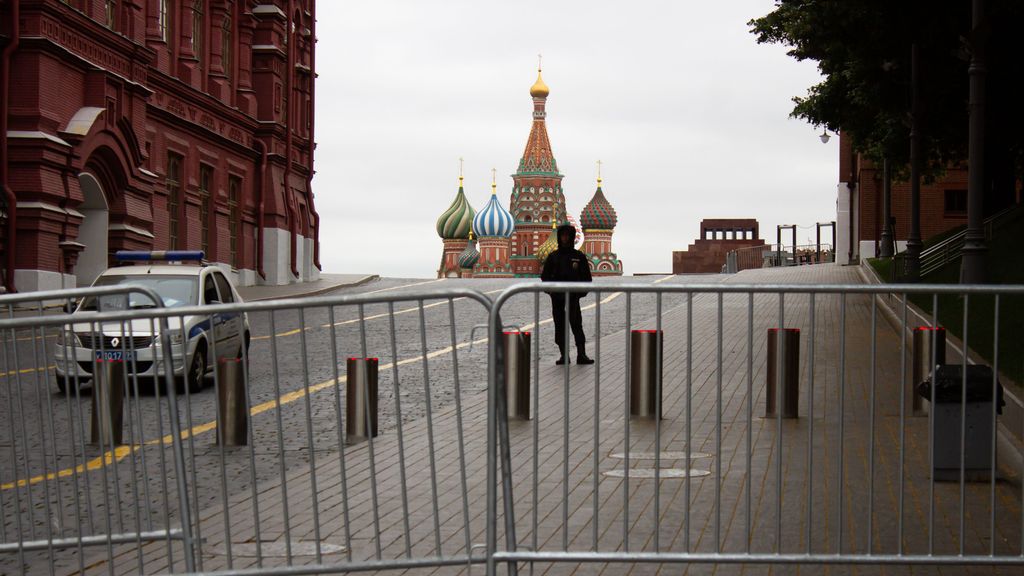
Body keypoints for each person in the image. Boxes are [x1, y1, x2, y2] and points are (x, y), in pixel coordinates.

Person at [541, 223, 595, 365]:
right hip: (557, 298)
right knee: (559, 326)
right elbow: (545, 277)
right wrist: (551, 291)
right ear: (559, 237)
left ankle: (581, 354)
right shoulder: (553, 257)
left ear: (571, 237)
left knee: (577, 325)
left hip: (572, 297)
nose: (565, 238)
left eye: (567, 235)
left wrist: (579, 293)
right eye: (563, 235)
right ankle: (564, 355)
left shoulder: (578, 256)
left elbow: (587, 278)